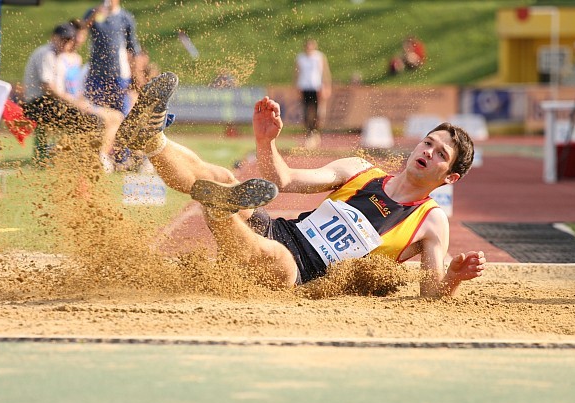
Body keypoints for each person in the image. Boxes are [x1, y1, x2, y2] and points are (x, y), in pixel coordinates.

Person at [116, 72, 486, 298]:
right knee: (225, 178)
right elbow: (284, 179)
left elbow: (430, 291)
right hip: (279, 231)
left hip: (300, 274)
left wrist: (452, 278)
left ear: (450, 177)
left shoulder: (431, 221)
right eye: (428, 143)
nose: (427, 151)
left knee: (276, 259)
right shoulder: (360, 170)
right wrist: (266, 143)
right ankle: (151, 140)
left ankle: (220, 209)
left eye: (440, 154)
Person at [22, 23, 104, 162]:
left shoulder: (58, 56)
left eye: (69, 40)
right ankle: (69, 156)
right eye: (64, 39)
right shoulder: (47, 54)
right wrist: (75, 102)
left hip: (48, 102)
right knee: (89, 119)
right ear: (54, 38)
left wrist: (78, 101)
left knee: (90, 117)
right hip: (38, 104)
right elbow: (49, 88)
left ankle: (63, 153)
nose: (67, 43)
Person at [57, 18, 125, 172]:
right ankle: (100, 156)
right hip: (69, 105)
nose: (80, 40)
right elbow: (60, 90)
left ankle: (102, 155)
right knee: (106, 118)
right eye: (77, 36)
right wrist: (77, 102)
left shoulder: (76, 59)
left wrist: (83, 100)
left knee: (117, 116)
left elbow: (77, 87)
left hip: (80, 102)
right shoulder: (60, 59)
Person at [83, 0, 144, 114]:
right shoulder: (93, 13)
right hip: (95, 72)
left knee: (121, 110)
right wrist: (95, 14)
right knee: (93, 111)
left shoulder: (125, 17)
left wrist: (137, 72)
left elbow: (133, 46)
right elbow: (82, 32)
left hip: (119, 74)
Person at [294, 39, 332, 149]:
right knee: (306, 111)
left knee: (316, 111)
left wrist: (327, 85)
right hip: (304, 86)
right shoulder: (300, 58)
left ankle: (315, 132)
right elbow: (296, 73)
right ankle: (309, 132)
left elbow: (325, 72)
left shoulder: (319, 57)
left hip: (316, 86)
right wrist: (296, 87)